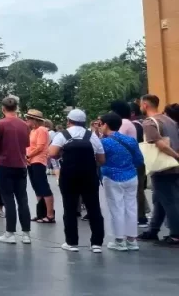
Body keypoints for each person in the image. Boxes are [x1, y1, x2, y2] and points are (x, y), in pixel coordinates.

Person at [49, 109, 105, 252]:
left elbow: (52, 154)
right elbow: (101, 159)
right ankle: (97, 243)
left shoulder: (63, 135)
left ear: (69, 121)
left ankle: (71, 242)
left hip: (69, 176)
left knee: (70, 208)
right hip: (89, 176)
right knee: (94, 207)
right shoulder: (92, 136)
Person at [96, 112, 143, 251]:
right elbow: (139, 160)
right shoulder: (130, 140)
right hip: (131, 176)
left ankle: (119, 240)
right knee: (131, 207)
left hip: (112, 177)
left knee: (116, 208)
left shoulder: (104, 142)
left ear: (105, 124)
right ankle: (132, 240)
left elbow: (99, 160)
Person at [137, 95, 179, 244]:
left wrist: (176, 156)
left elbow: (160, 145)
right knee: (159, 200)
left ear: (145, 105)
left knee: (170, 201)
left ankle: (176, 234)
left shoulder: (149, 123)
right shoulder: (170, 121)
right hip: (173, 167)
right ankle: (153, 230)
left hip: (162, 167)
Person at [0, 96, 32, 244]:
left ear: (3, 109)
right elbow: (26, 144)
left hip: (4, 164)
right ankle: (26, 233)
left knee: (8, 198)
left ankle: (10, 232)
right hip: (21, 164)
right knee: (22, 199)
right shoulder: (24, 125)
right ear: (16, 108)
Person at [25, 109, 56, 224]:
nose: (26, 120)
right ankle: (41, 212)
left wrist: (28, 155)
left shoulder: (42, 130)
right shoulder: (33, 130)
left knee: (43, 186)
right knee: (36, 187)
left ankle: (50, 214)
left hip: (38, 160)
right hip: (31, 160)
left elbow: (40, 147)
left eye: (28, 118)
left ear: (34, 120)